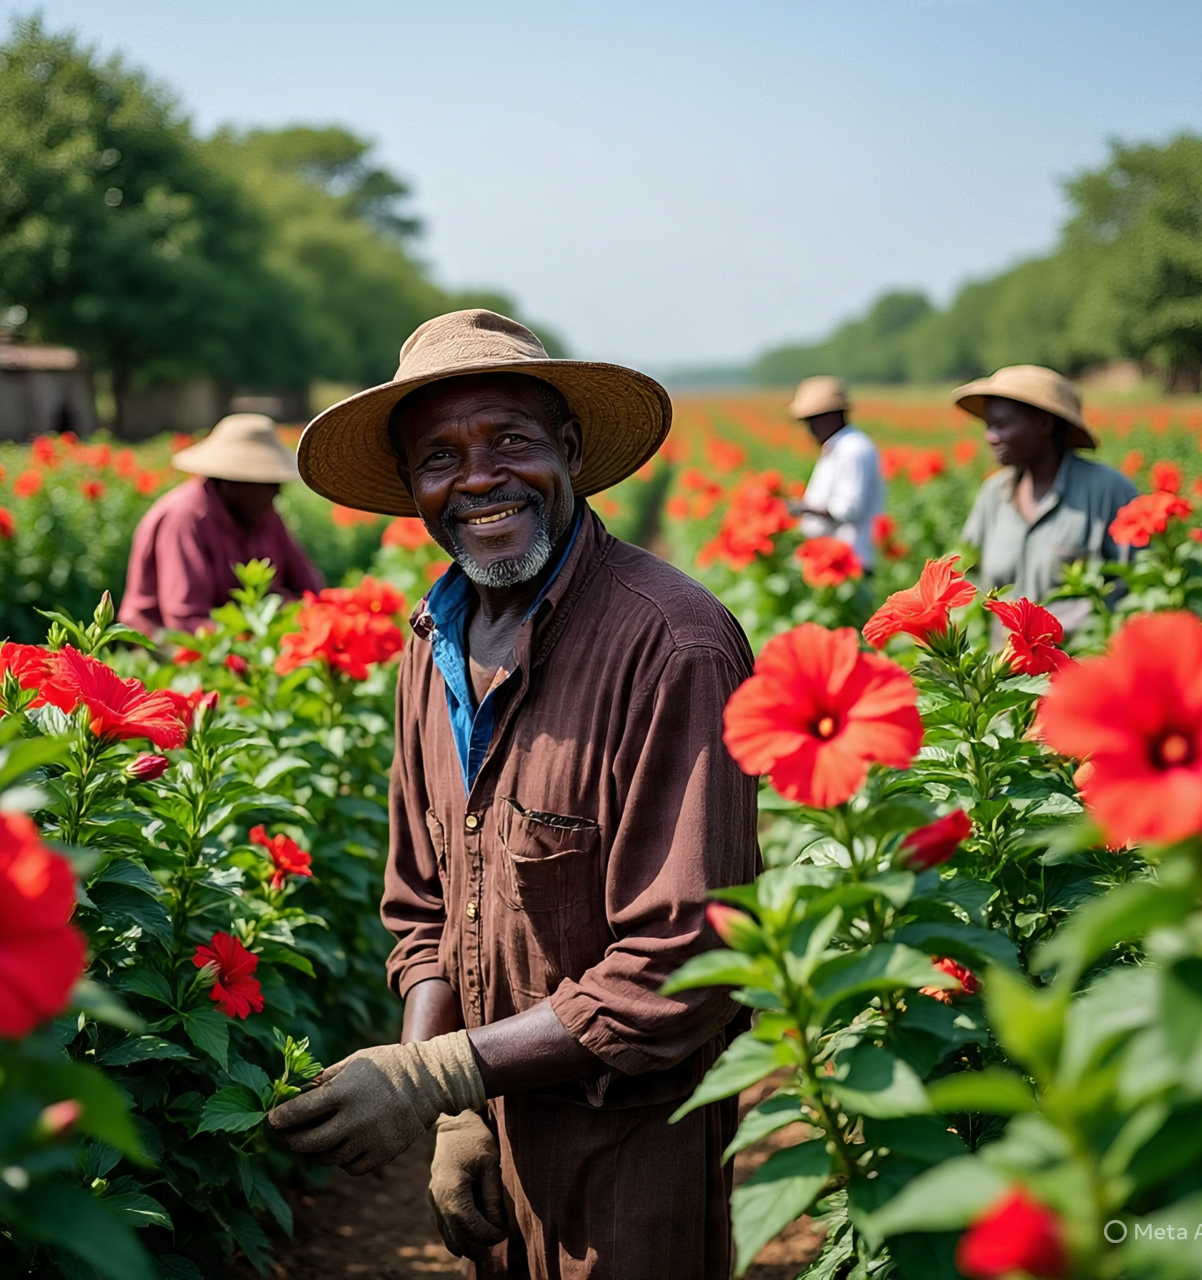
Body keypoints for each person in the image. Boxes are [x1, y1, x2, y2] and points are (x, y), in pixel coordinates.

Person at [267, 309, 760, 1279]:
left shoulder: (672, 646)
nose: (479, 477)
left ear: (568, 451)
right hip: (494, 1135)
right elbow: (423, 902)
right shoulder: (432, 645)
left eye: (509, 441)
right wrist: (450, 1108)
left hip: (631, 1145)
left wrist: (437, 1071)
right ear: (412, 488)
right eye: (439, 456)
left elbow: (684, 961)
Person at [952, 366, 1136, 619]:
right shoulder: (993, 494)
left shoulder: (1109, 491)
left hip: (1081, 656)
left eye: (1001, 425)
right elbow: (967, 578)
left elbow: (1138, 592)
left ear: (1044, 423)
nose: (990, 437)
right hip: (1003, 657)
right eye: (988, 425)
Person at [118, 413, 324, 638]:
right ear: (232, 481)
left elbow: (310, 589)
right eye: (267, 483)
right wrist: (255, 633)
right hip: (169, 648)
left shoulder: (264, 516)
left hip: (246, 639)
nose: (276, 492)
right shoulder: (185, 519)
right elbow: (185, 620)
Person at [787, 375, 884, 570]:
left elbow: (848, 510)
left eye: (811, 421)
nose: (809, 429)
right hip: (832, 559)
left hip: (850, 561)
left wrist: (802, 508)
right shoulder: (838, 447)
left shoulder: (853, 449)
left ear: (830, 416)